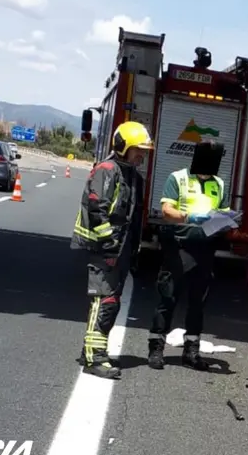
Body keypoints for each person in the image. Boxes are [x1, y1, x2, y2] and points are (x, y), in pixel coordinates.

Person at [146, 140, 238, 371]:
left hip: (205, 249)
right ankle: (156, 348)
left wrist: (227, 221)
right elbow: (167, 211)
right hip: (179, 246)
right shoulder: (178, 178)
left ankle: (191, 351)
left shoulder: (219, 184)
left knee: (198, 303)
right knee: (168, 298)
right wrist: (188, 218)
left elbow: (224, 212)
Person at [71, 121, 151, 379]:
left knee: (111, 302)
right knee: (103, 302)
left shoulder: (133, 176)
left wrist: (134, 252)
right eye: (138, 149)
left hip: (121, 250)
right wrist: (108, 245)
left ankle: (93, 351)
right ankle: (95, 359)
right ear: (122, 146)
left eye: (144, 150)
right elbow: (97, 208)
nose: (142, 155)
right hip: (105, 249)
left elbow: (132, 219)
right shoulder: (107, 170)